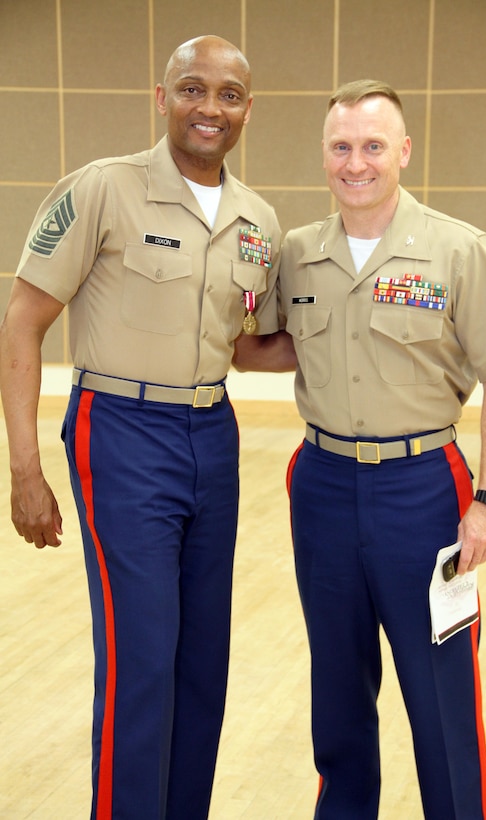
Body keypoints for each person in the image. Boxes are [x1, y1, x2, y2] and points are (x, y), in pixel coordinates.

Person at [235, 79, 486, 819]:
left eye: (372, 146)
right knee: (338, 690)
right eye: (340, 147)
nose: (356, 162)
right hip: (321, 486)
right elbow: (268, 349)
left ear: (402, 152)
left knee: (441, 689)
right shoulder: (300, 253)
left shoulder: (456, 248)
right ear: (323, 155)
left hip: (423, 491)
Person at [0, 35, 293, 820]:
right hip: (121, 434)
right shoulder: (103, 188)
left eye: (228, 94)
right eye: (192, 89)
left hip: (212, 436)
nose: (210, 107)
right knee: (143, 661)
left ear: (247, 111)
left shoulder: (257, 220)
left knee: (202, 662)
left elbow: (244, 344)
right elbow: (22, 323)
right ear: (161, 98)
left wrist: (358, 337)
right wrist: (25, 471)